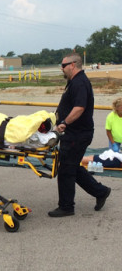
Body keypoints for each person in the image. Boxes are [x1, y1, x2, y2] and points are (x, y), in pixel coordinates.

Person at [48, 52, 111, 217]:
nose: (61, 69)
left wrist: (64, 123)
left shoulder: (79, 83)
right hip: (74, 133)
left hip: (77, 134)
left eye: (63, 66)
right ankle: (100, 191)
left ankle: (67, 206)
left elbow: (79, 108)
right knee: (72, 166)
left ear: (72, 65)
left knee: (66, 170)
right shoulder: (74, 81)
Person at [81, 97, 122, 168]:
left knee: (108, 159)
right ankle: (73, 160)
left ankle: (74, 160)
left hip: (115, 158)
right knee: (103, 158)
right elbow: (108, 132)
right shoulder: (111, 117)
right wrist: (113, 143)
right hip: (114, 141)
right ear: (117, 107)